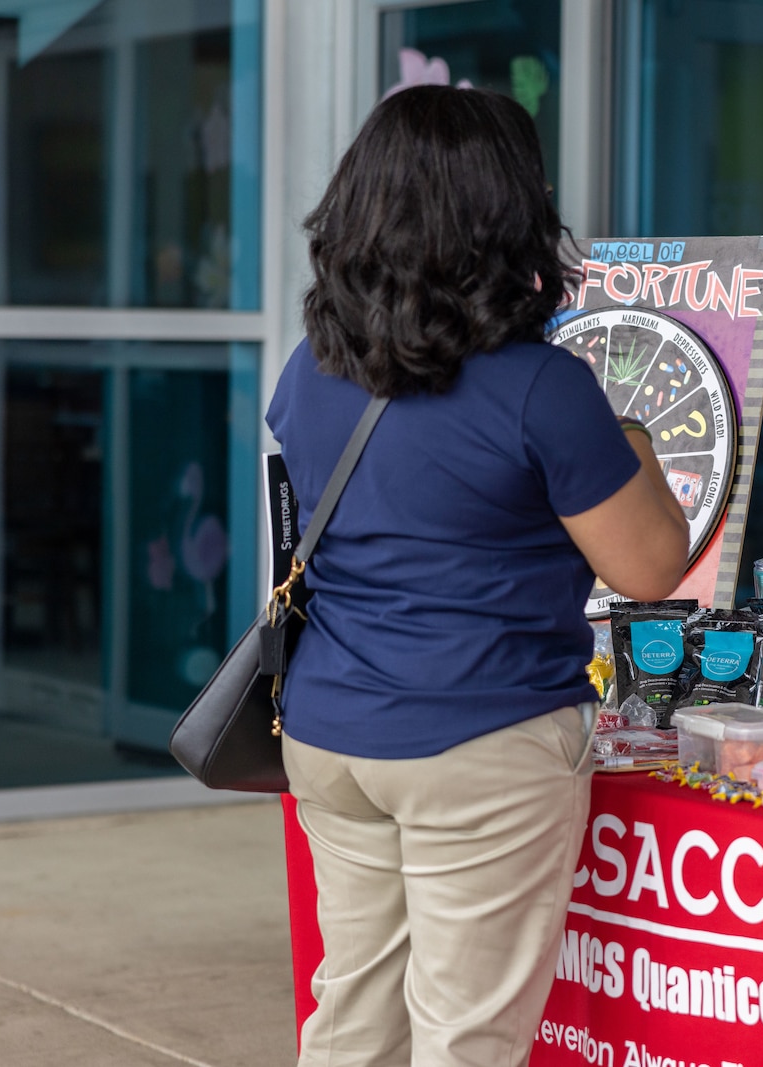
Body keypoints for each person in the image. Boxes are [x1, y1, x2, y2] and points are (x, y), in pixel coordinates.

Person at [266, 86, 688, 1067]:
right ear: (508, 212)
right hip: (479, 741)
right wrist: (631, 439)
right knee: (466, 1038)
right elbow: (651, 565)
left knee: (351, 1017)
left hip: (331, 735)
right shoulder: (544, 387)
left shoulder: (310, 365)